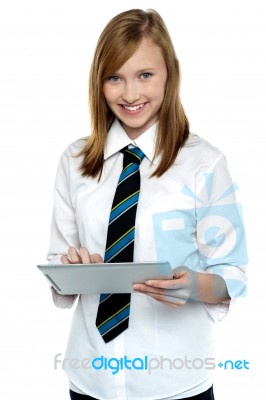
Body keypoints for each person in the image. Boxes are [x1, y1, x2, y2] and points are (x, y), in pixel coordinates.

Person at [47, 8, 248, 400]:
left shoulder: (205, 164)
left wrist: (194, 287)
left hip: (175, 382)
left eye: (145, 75)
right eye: (115, 77)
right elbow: (58, 265)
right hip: (91, 378)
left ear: (169, 74)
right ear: (99, 82)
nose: (130, 94)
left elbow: (233, 276)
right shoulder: (74, 162)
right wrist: (69, 270)